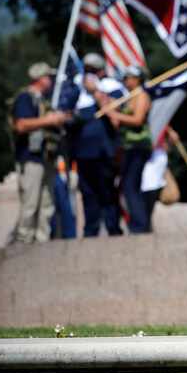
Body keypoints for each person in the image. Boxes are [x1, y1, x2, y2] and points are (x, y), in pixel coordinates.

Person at [10, 62, 68, 243]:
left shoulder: (44, 100)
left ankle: (41, 242)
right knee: (30, 204)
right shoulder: (25, 98)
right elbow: (21, 125)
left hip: (46, 158)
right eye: (48, 77)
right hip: (31, 158)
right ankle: (23, 241)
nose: (50, 80)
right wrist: (48, 120)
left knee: (47, 204)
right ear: (40, 78)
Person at [72, 53, 126, 236]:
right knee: (88, 194)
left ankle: (113, 229)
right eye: (86, 70)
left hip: (105, 152)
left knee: (108, 193)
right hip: (82, 152)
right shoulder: (76, 88)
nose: (89, 74)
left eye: (93, 70)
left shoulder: (113, 87)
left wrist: (95, 91)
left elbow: (114, 112)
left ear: (102, 71)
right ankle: (90, 231)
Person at [102, 66, 154, 234]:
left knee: (130, 185)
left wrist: (115, 115)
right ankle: (139, 223)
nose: (126, 81)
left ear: (137, 79)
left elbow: (137, 120)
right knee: (129, 185)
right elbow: (118, 124)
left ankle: (139, 225)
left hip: (139, 146)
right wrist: (110, 109)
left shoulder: (142, 96)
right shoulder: (128, 98)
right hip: (128, 146)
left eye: (129, 77)